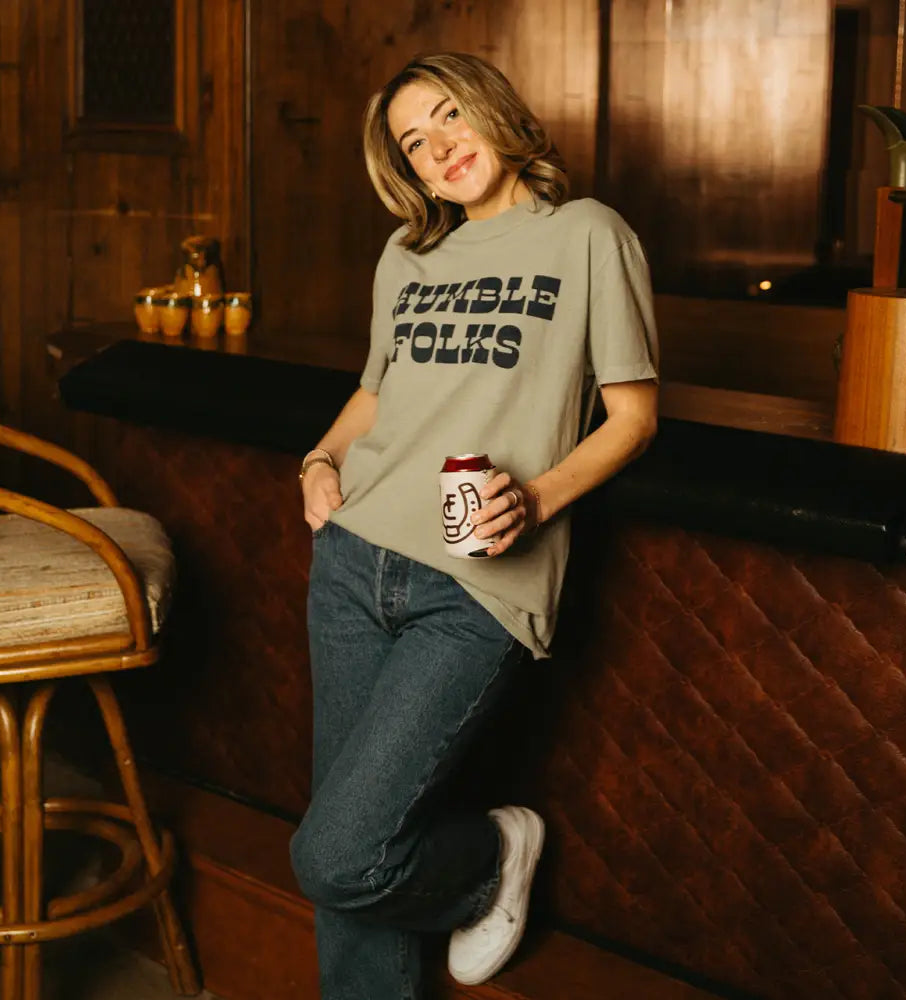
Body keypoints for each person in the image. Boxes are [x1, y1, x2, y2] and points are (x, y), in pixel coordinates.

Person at [290, 51, 659, 999]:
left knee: (340, 854)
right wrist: (319, 460)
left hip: (475, 577)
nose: (439, 147)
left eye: (448, 115)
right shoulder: (408, 255)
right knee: (347, 874)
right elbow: (377, 394)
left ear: (493, 107)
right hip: (352, 563)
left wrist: (534, 500)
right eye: (415, 143)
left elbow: (632, 418)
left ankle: (495, 858)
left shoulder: (586, 235)